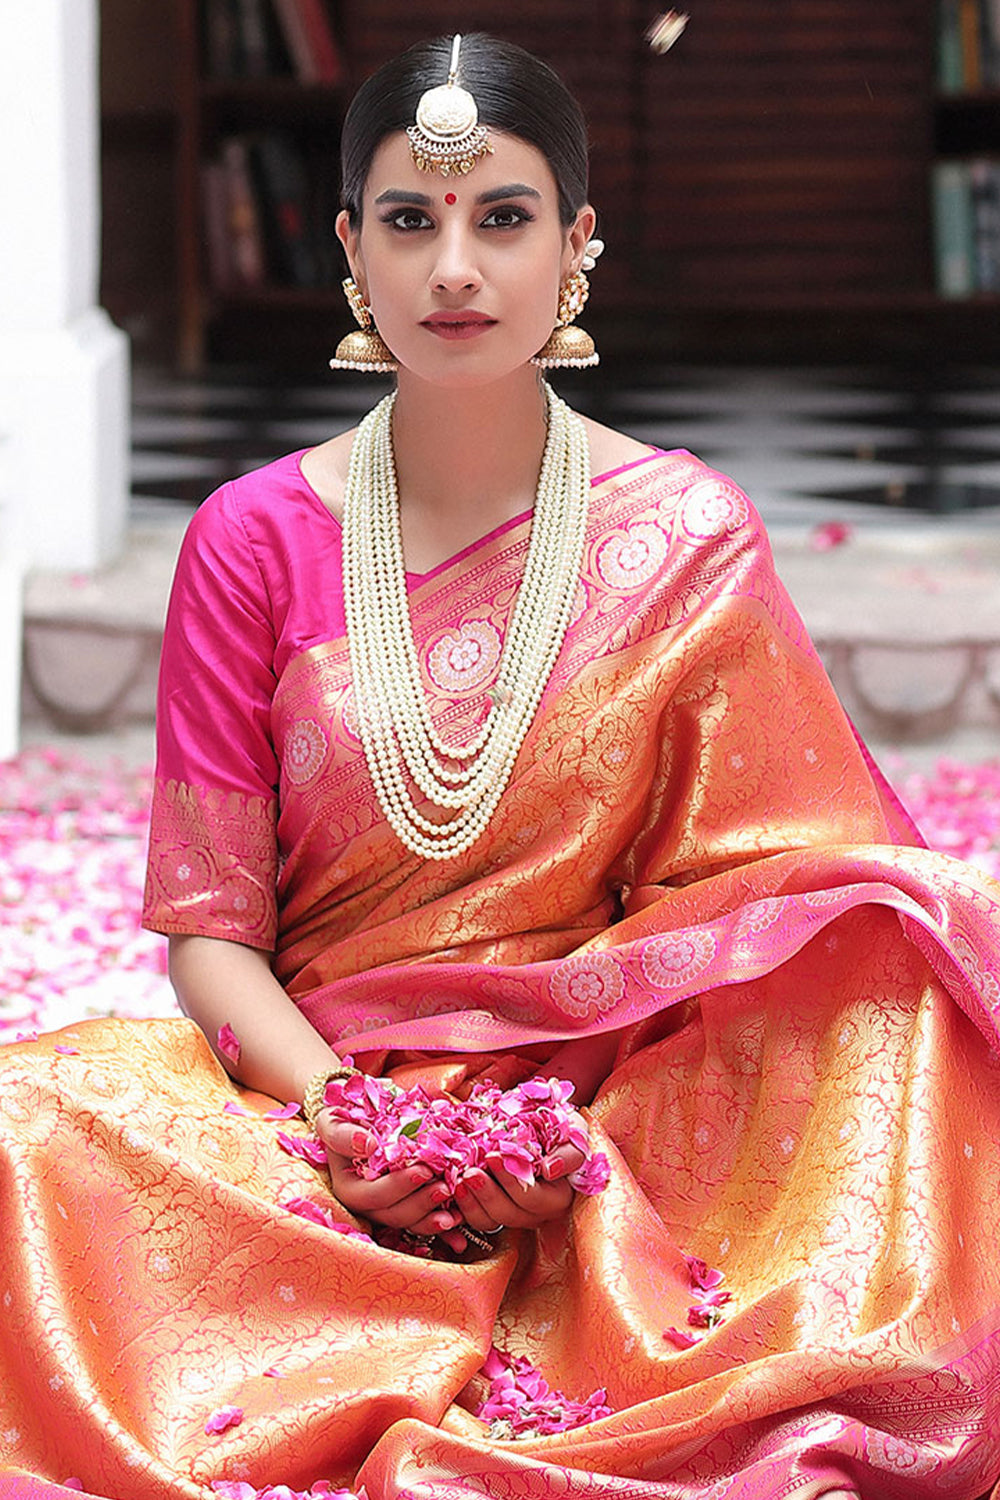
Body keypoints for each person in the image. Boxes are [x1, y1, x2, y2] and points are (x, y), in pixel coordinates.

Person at [1, 30, 1000, 1500]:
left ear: (578, 243)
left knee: (900, 992)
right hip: (312, 1102)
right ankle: (375, 1292)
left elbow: (777, 885)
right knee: (24, 1134)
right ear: (350, 246)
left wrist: (587, 1115)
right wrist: (350, 1118)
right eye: (410, 220)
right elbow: (215, 941)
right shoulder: (252, 537)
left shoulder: (686, 534)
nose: (454, 268)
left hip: (619, 1109)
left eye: (503, 217)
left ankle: (576, 1300)